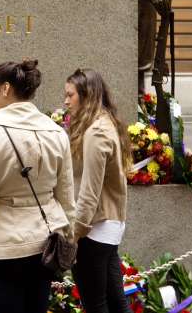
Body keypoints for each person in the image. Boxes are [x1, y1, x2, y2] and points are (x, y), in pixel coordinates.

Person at [0, 60, 76, 313]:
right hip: (45, 244)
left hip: (3, 247)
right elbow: (67, 198)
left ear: (5, 89)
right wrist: (68, 241)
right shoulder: (56, 132)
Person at [64, 68, 133, 313]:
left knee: (96, 303)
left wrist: (74, 234)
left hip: (94, 229)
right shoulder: (104, 123)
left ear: (86, 95)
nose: (65, 101)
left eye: (70, 95)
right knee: (114, 301)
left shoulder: (96, 132)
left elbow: (89, 191)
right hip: (105, 227)